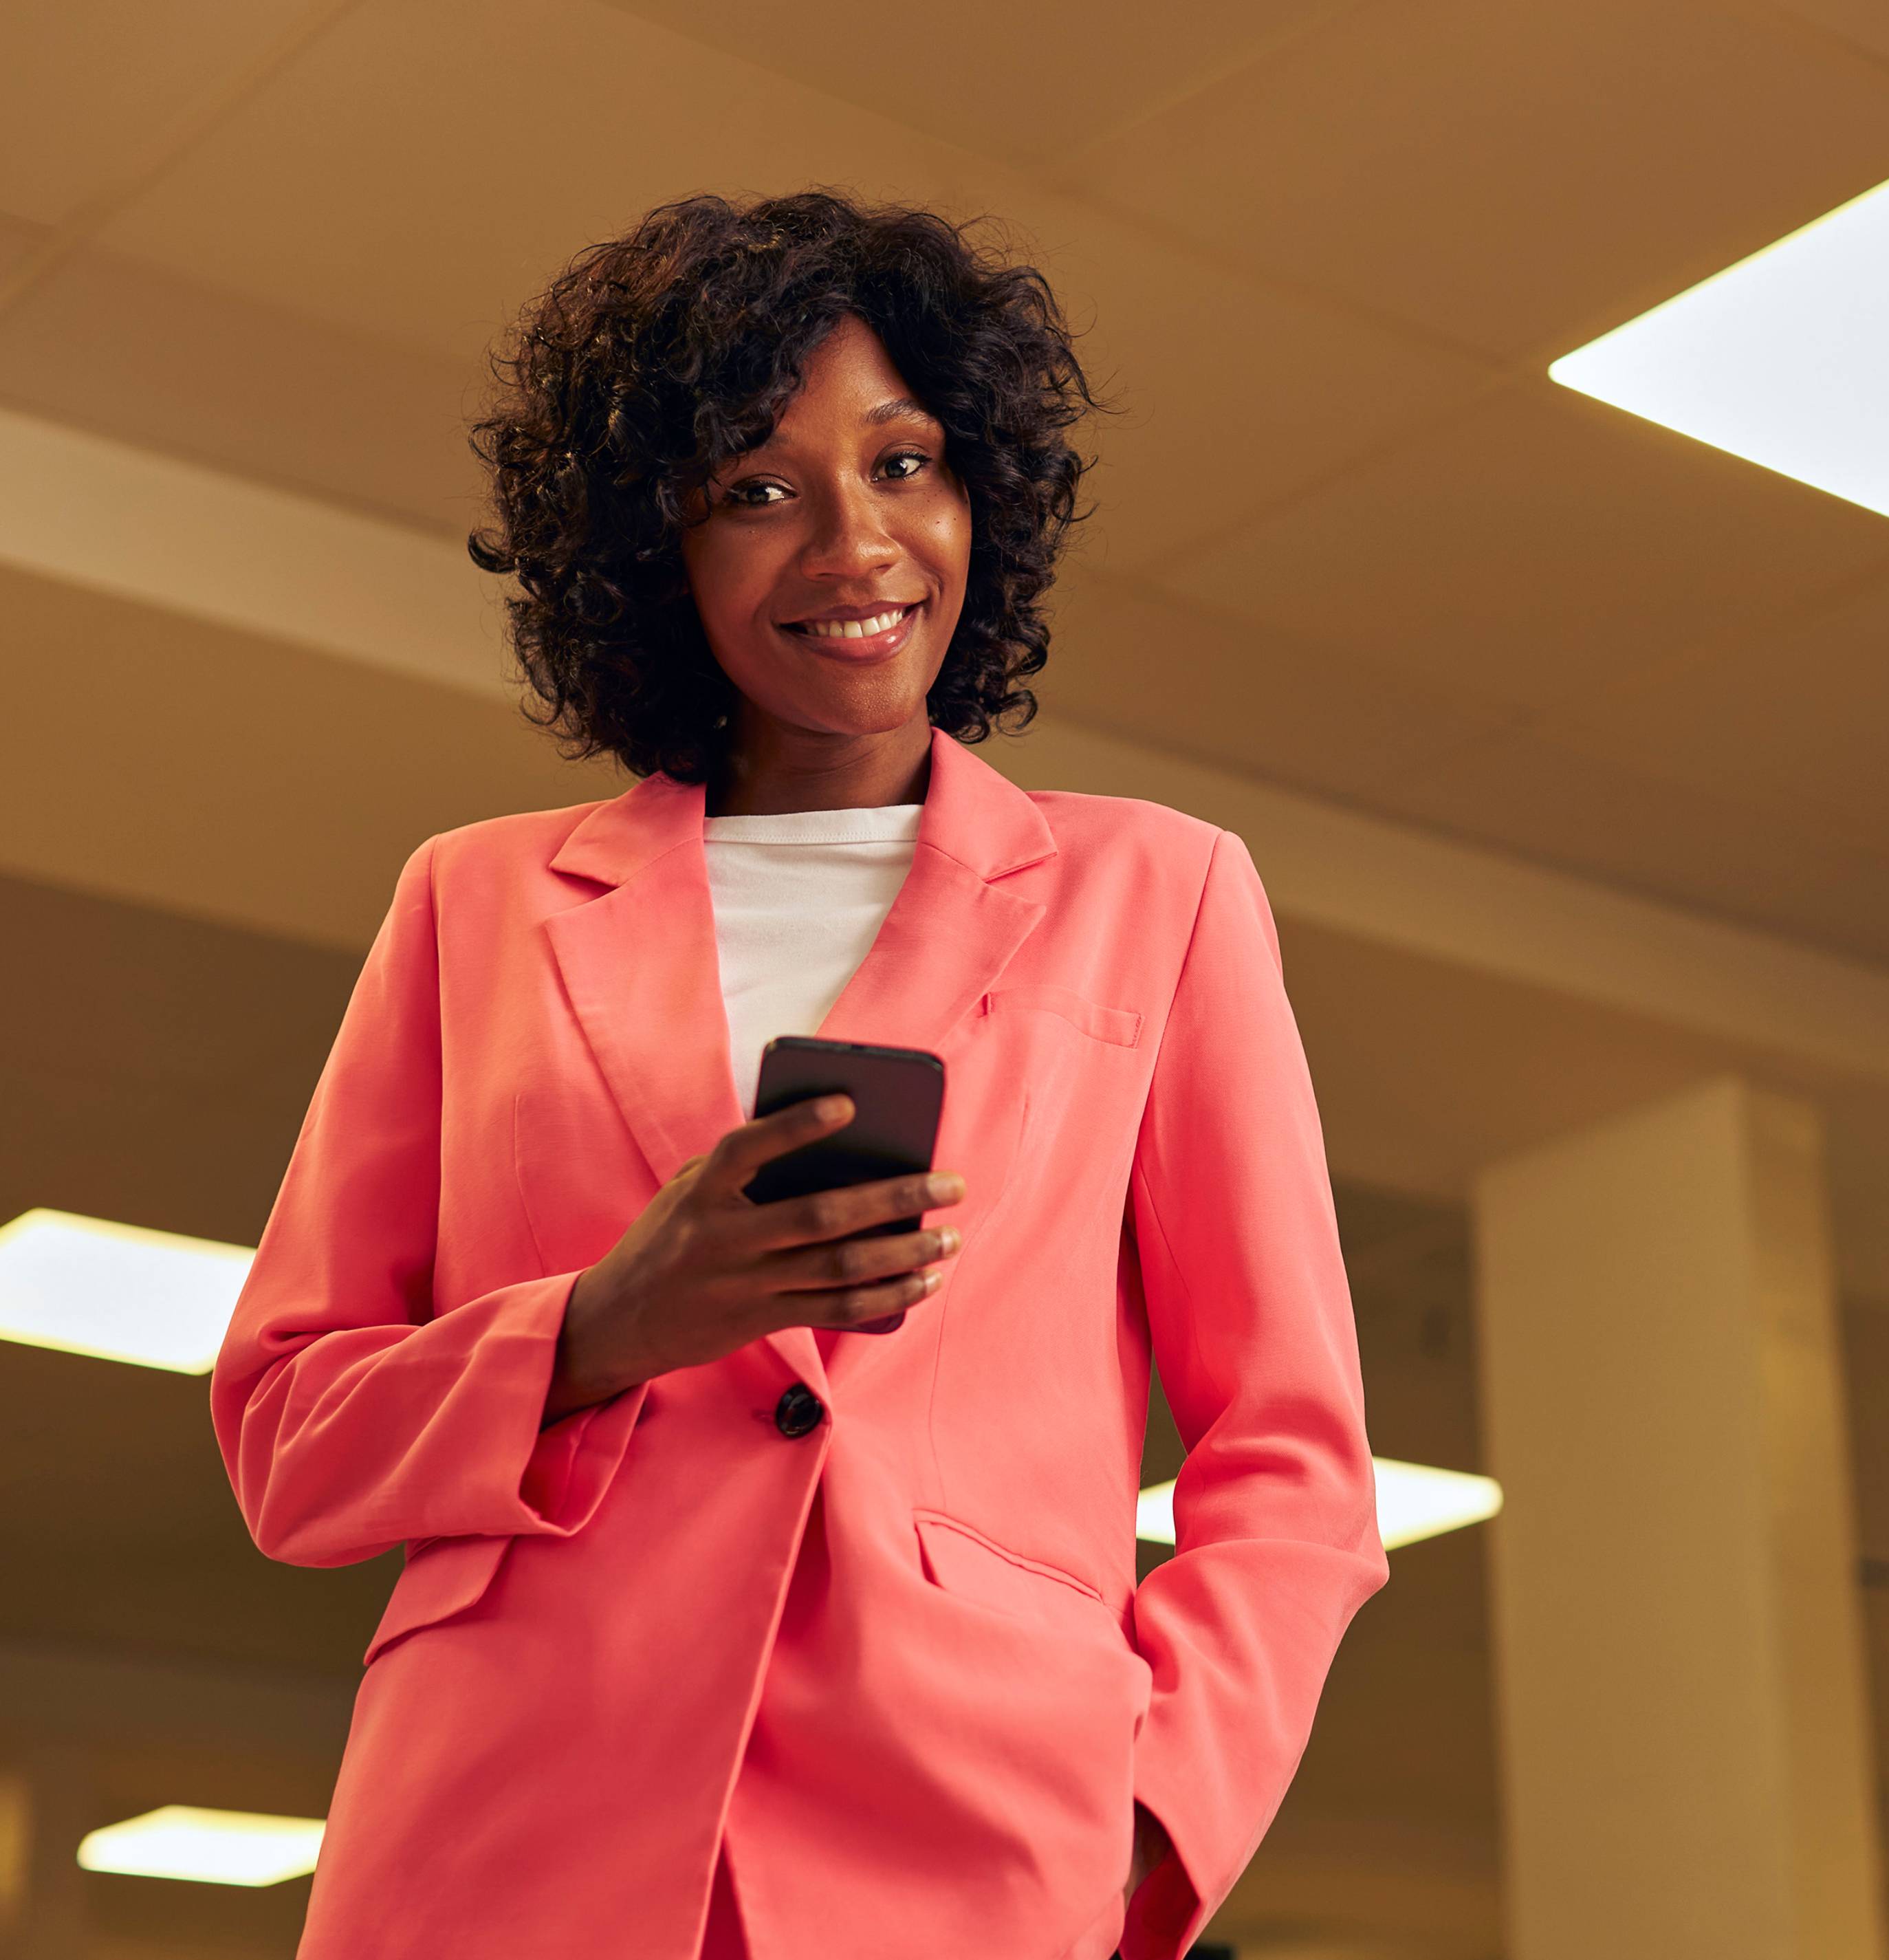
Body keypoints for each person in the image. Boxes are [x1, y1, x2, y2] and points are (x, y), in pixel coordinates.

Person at [209, 190, 1386, 1960]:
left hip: (978, 1834)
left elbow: (1291, 1457)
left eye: (906, 464)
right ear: (648, 548)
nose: (858, 546)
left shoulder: (1162, 889)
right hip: (505, 1831)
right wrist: (600, 1325)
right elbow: (288, 1441)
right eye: (759, 490)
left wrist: (1151, 1813)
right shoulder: (474, 903)